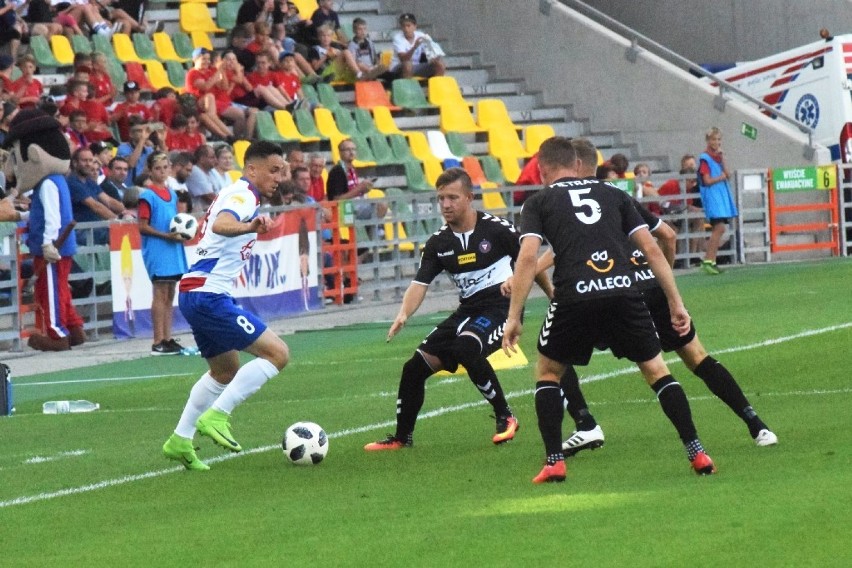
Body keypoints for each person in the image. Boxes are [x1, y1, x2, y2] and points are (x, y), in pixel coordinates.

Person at [502, 136, 716, 484]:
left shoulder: (539, 202)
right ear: (577, 165)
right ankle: (697, 451)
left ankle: (555, 460)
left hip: (575, 295)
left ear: (542, 170)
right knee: (657, 370)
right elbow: (652, 247)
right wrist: (676, 302)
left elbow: (528, 257)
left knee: (548, 372)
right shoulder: (615, 193)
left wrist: (514, 315)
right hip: (623, 292)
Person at [543, 138, 777, 457]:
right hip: (651, 287)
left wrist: (525, 275)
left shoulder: (571, 204)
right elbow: (667, 234)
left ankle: (585, 425)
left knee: (555, 355)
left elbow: (557, 252)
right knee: (697, 358)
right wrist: (663, 281)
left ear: (573, 166)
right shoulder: (616, 196)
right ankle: (757, 425)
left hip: (612, 293)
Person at [364, 168, 551, 452]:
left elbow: (530, 263)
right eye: (441, 199)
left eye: (452, 197)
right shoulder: (439, 243)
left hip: (501, 308)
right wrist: (404, 313)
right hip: (468, 312)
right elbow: (420, 283)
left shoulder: (498, 230)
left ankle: (506, 415)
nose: (446, 205)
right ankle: (402, 438)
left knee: (466, 348)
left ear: (469, 197)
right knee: (414, 367)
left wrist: (551, 295)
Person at [162, 140, 289, 470]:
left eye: (283, 170)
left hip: (196, 293)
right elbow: (222, 224)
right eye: (274, 170)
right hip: (208, 295)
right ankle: (217, 415)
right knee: (278, 354)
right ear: (251, 169)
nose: (280, 177)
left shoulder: (240, 193)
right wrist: (250, 226)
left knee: (224, 370)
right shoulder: (242, 195)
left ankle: (180, 439)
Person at [5, 108, 87, 351]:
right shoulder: (56, 180)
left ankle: (56, 333)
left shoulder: (48, 183)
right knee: (60, 287)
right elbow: (44, 213)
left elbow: (52, 217)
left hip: (53, 245)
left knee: (48, 289)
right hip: (61, 243)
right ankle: (74, 327)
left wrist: (47, 243)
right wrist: (20, 215)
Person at [138, 152, 189, 355]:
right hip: (158, 248)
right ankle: (157, 340)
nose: (162, 171)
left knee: (170, 293)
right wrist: (165, 235)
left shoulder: (173, 194)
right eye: (157, 168)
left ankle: (167, 338)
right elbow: (142, 226)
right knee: (160, 292)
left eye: (165, 167)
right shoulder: (147, 196)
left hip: (172, 247)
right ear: (150, 171)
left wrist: (180, 233)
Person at [697, 127, 737, 275]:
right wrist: (721, 177)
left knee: (719, 228)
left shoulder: (717, 157)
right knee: (719, 228)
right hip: (713, 197)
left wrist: (723, 158)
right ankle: (708, 260)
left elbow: (728, 173)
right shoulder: (705, 158)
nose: (717, 142)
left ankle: (711, 260)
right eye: (713, 139)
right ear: (708, 140)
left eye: (719, 139)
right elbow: (707, 180)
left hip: (720, 196)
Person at [67, 146, 125, 245]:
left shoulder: (89, 181)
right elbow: (95, 206)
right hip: (79, 232)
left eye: (90, 160)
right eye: (84, 161)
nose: (88, 164)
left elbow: (108, 201)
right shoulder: (72, 182)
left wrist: (124, 212)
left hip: (94, 228)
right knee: (122, 234)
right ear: (75, 163)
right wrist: (118, 222)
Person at [326, 138, 386, 221]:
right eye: (347, 150)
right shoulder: (337, 171)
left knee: (382, 205)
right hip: (345, 209)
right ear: (340, 153)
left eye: (353, 149)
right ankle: (376, 231)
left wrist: (363, 190)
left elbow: (353, 192)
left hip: (356, 205)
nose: (351, 152)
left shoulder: (352, 169)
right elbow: (337, 200)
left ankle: (375, 230)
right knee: (381, 206)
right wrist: (359, 188)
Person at [389, 13, 445, 79]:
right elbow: (403, 59)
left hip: (415, 66)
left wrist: (435, 57)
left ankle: (435, 87)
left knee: (439, 64)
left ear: (415, 26)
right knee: (408, 65)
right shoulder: (398, 38)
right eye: (403, 26)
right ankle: (408, 89)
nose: (406, 29)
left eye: (408, 26)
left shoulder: (421, 35)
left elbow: (431, 52)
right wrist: (414, 47)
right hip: (398, 68)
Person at [347, 18, 389, 82]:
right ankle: (367, 75)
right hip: (362, 70)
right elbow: (354, 62)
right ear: (354, 31)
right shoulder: (352, 45)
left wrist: (377, 64)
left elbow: (375, 57)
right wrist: (368, 69)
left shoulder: (369, 42)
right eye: (360, 29)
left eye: (364, 29)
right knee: (359, 63)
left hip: (372, 67)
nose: (363, 32)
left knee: (386, 68)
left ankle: (372, 75)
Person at [186, 144, 217, 213]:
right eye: (212, 157)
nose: (215, 159)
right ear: (202, 159)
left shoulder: (210, 172)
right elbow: (209, 197)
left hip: (208, 212)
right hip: (198, 214)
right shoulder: (195, 171)